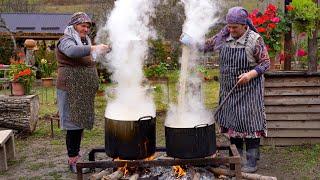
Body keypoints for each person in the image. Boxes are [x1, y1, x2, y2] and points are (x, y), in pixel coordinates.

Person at [181, 7, 270, 173]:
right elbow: (206, 46)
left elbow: (265, 63)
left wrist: (250, 75)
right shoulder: (224, 36)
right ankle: (236, 159)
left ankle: (251, 162)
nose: (231, 30)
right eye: (229, 26)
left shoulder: (254, 40)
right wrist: (190, 41)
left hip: (249, 90)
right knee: (233, 124)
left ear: (244, 25)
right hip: (229, 89)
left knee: (250, 125)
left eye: (235, 27)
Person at [56, 12, 111, 173]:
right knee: (73, 126)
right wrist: (94, 47)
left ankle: (76, 156)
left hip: (82, 91)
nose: (86, 29)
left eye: (88, 26)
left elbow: (88, 57)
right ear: (73, 25)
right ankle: (73, 161)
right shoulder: (66, 40)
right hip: (71, 90)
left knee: (79, 124)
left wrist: (105, 50)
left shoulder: (84, 40)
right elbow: (73, 52)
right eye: (83, 25)